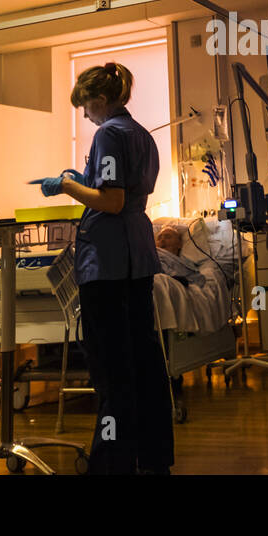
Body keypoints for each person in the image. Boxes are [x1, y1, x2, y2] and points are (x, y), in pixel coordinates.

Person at [32, 62, 174, 474]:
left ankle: (111, 464)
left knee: (112, 372)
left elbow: (110, 201)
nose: (85, 116)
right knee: (145, 365)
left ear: (99, 100)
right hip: (135, 259)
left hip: (109, 264)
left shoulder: (109, 132)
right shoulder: (142, 135)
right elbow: (121, 191)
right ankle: (152, 459)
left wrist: (67, 185)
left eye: (85, 107)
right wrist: (88, 178)